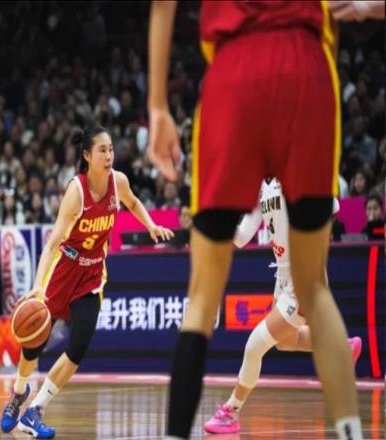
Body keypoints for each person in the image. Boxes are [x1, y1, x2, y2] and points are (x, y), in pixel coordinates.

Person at [147, 2, 383, 440]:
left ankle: (204, 421)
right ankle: (351, 428)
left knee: (204, 300)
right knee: (311, 301)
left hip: (235, 70)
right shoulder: (263, 193)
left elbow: (163, 4)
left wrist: (157, 105)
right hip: (306, 70)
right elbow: (243, 235)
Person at [0, 125, 174, 438]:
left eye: (111, 149)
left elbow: (133, 202)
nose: (109, 156)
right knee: (35, 339)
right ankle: (18, 392)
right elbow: (53, 242)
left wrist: (150, 225)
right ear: (87, 156)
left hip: (92, 274)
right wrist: (39, 286)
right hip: (63, 268)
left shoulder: (118, 182)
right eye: (102, 150)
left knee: (78, 346)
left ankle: (35, 411)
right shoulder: (76, 192)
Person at [203, 179, 362, 434]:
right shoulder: (260, 186)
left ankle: (231, 411)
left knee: (254, 346)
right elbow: (242, 237)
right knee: (286, 341)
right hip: (283, 277)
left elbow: (331, 206)